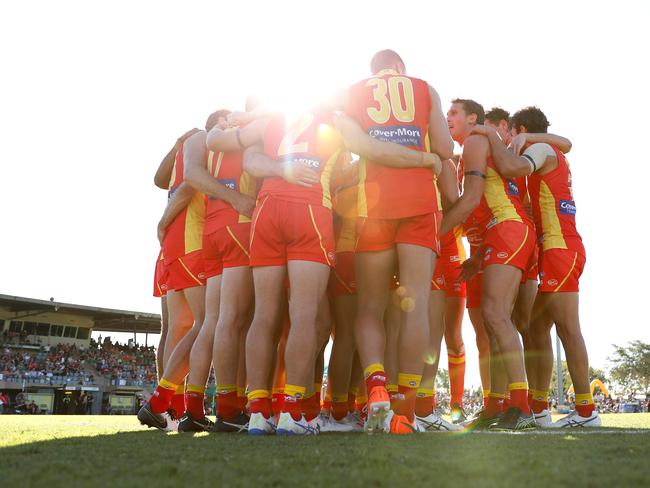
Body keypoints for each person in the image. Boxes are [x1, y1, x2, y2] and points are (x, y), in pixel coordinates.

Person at [207, 106, 442, 436]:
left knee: (263, 314)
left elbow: (230, 149)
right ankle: (292, 412)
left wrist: (229, 127)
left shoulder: (273, 118)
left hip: (266, 208)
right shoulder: (337, 120)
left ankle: (258, 413)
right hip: (310, 209)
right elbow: (373, 149)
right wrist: (425, 159)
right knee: (304, 315)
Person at [330, 49, 453, 434]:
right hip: (420, 201)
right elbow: (446, 151)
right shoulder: (424, 88)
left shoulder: (352, 92)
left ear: (373, 71)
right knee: (414, 304)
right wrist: (422, 157)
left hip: (374, 203)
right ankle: (406, 412)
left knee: (370, 307)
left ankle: (377, 391)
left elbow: (360, 147)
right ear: (401, 68)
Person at [471, 106, 600, 428]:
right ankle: (539, 405)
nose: (508, 139)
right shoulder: (545, 148)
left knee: (568, 329)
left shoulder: (541, 149)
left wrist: (489, 136)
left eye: (510, 132)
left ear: (520, 130)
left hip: (560, 247)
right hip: (552, 249)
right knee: (534, 327)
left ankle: (586, 410)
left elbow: (514, 166)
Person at [443, 98, 536, 431]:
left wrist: (433, 236)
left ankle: (523, 407)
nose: (447, 117)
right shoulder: (470, 147)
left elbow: (471, 201)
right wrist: (478, 256)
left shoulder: (476, 140)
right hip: (495, 237)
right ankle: (496, 405)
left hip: (509, 228)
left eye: (453, 112)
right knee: (489, 326)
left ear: (472, 118)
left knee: (497, 317)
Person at [178, 106, 258, 432]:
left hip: (211, 230)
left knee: (211, 321)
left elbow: (190, 175)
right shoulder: (241, 133)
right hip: (237, 225)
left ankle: (193, 409)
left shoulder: (208, 140)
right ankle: (228, 409)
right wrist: (237, 199)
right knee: (232, 319)